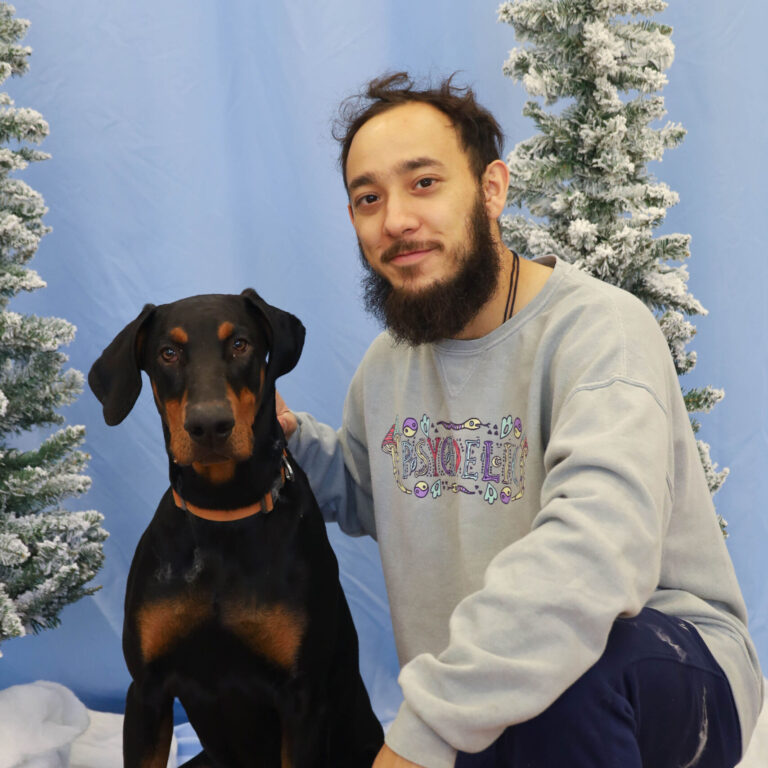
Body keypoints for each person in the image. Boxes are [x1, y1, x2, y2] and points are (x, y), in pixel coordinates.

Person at [276, 72, 763, 767]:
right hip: (490, 699)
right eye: (367, 198)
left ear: (492, 189)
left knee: (575, 669)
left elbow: (594, 557)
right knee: (534, 698)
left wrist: (422, 737)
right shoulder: (388, 364)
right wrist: (283, 438)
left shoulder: (598, 332)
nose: (395, 220)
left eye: (424, 183)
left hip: (670, 674)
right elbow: (366, 485)